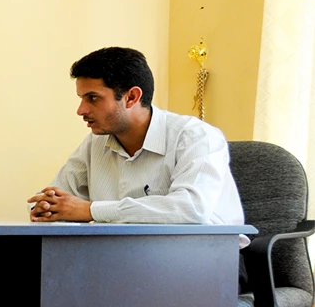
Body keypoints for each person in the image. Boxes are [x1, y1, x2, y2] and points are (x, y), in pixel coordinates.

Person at [26, 47, 248, 279]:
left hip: (208, 261)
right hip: (123, 259)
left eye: (93, 98)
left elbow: (192, 208)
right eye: (82, 99)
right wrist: (47, 208)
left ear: (132, 97)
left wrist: (90, 210)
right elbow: (57, 198)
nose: (81, 110)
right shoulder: (95, 143)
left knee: (86, 293)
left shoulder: (195, 136)